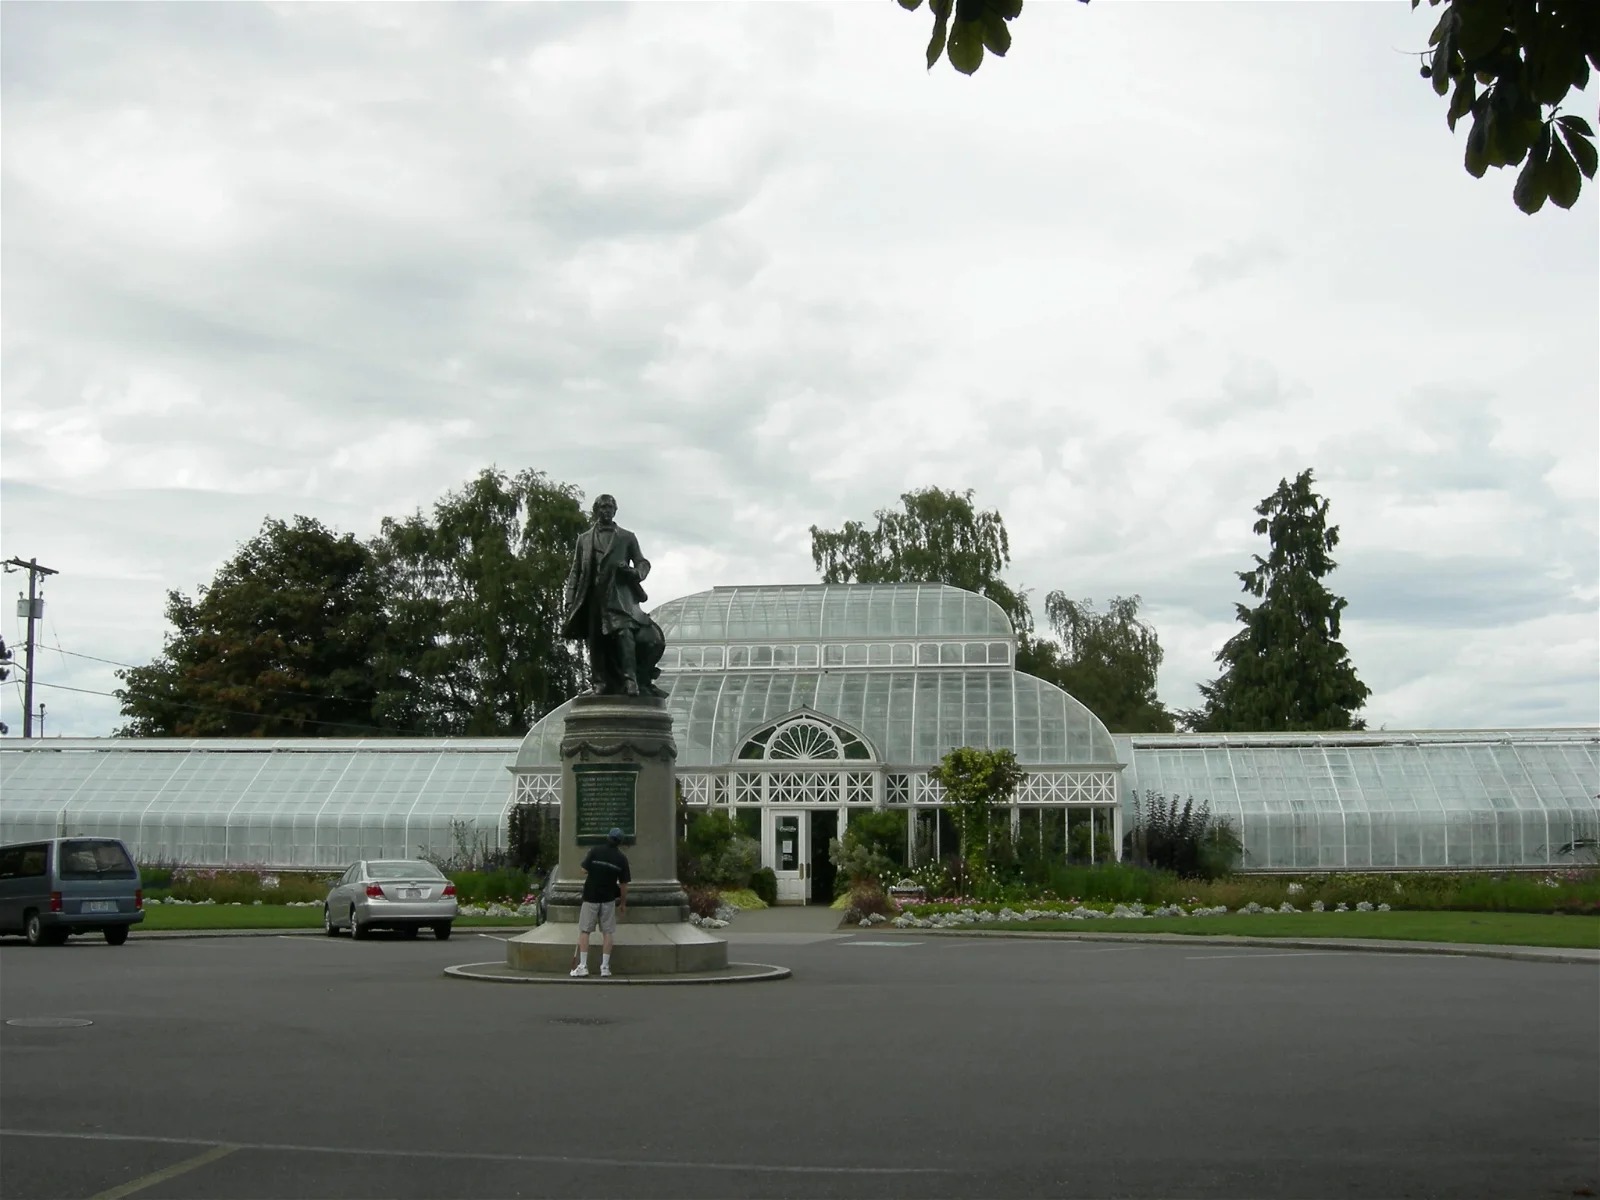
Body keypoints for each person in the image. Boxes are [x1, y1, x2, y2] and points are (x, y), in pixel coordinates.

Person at [558, 494, 667, 697]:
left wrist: (635, 573)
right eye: (602, 507)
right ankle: (600, 683)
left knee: (624, 634)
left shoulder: (626, 537)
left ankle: (630, 680)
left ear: (615, 511)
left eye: (610, 507)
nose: (606, 510)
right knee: (596, 640)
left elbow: (642, 562)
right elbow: (576, 571)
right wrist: (570, 599)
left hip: (619, 596)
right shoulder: (584, 539)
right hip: (592, 596)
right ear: (596, 511)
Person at [571, 827, 631, 977]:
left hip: (590, 896)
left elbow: (584, 869)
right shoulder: (621, 859)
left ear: (608, 838)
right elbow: (623, 885)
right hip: (608, 898)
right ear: (620, 842)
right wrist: (623, 903)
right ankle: (605, 967)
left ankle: (583, 966)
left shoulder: (595, 851)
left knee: (585, 931)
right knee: (607, 932)